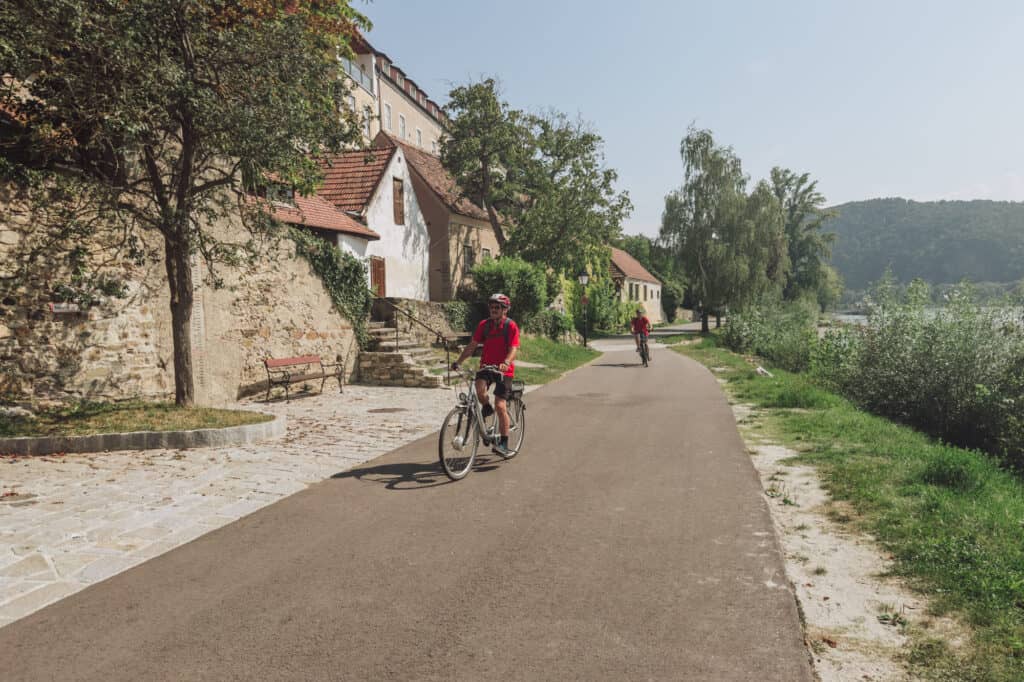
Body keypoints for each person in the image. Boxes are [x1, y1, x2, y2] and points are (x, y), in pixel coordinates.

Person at [451, 293, 520, 456]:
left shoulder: (510, 326)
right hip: (487, 367)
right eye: (492, 307)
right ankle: (486, 408)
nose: (493, 310)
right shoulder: (484, 325)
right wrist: (459, 361)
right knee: (479, 390)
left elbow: (513, 348)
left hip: (504, 370)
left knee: (500, 405)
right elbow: (472, 345)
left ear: (505, 310)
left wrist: (506, 362)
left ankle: (503, 442)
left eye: (497, 307)